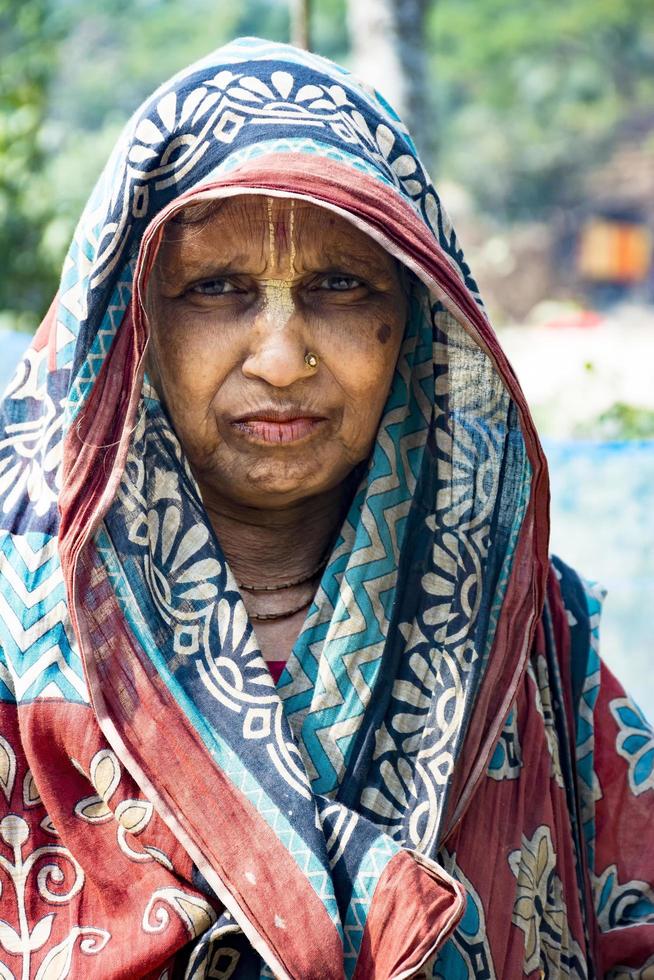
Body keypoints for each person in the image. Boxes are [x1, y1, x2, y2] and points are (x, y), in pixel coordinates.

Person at [0, 36, 652, 980]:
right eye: (216, 289)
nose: (280, 356)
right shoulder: (23, 645)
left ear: (416, 319)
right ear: (134, 319)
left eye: (339, 286)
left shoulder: (533, 635)